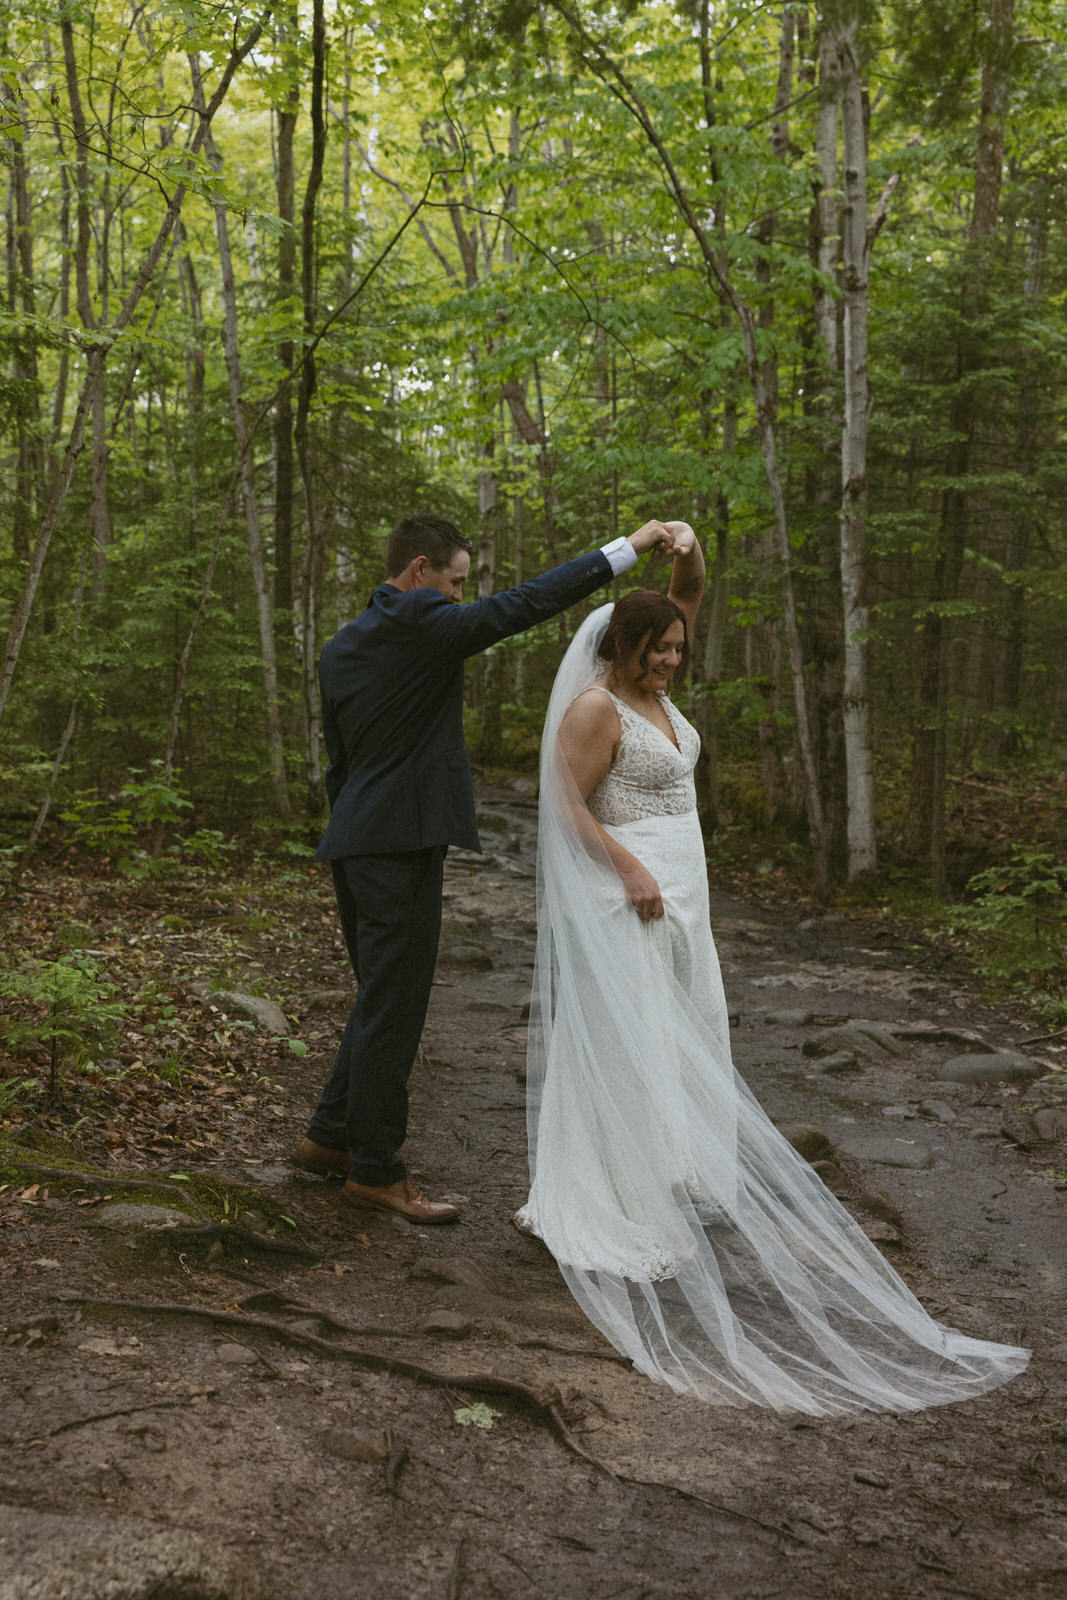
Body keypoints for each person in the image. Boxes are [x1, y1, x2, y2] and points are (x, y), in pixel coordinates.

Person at [517, 524, 1031, 1415]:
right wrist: (629, 869)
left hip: (686, 891)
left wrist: (680, 545)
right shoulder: (597, 707)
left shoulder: (659, 688)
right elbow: (563, 808)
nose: (675, 658)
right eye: (662, 648)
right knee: (632, 1040)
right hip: (629, 892)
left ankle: (667, 1171)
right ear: (625, 648)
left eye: (678, 648)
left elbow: (689, 593)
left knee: (683, 1035)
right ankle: (609, 1197)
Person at [293, 509, 683, 1225]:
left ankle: (328, 1139)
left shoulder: (343, 644)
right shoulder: (423, 624)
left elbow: (339, 758)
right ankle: (377, 1170)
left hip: (354, 838)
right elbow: (526, 604)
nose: (460, 597)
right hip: (400, 842)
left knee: (377, 997)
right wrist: (625, 549)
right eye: (455, 582)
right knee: (395, 1007)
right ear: (419, 573)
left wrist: (350, 824)